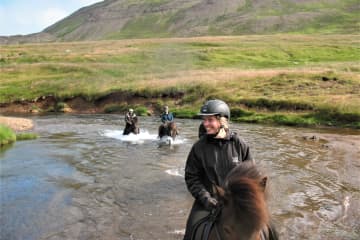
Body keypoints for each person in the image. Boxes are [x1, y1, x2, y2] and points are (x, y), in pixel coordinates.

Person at [183, 99, 254, 240]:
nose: (205, 124)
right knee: (191, 228)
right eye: (204, 120)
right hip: (209, 201)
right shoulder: (198, 147)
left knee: (268, 226)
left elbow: (251, 174)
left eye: (210, 120)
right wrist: (206, 199)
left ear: (222, 121)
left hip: (237, 201)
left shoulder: (239, 144)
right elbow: (192, 177)